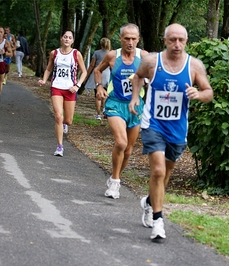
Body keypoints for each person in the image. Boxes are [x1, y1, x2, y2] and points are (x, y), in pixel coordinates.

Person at [129, 23, 214, 241]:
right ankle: (158, 220)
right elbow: (137, 77)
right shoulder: (151, 61)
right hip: (153, 124)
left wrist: (198, 94)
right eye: (172, 40)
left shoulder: (194, 65)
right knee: (157, 171)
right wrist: (135, 97)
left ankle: (149, 201)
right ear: (165, 40)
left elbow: (209, 92)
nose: (177, 44)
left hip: (178, 128)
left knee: (165, 174)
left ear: (186, 41)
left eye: (181, 40)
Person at [95, 23, 148, 199]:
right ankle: (116, 182)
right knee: (121, 143)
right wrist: (99, 87)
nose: (130, 42)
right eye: (127, 38)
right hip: (115, 104)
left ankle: (114, 176)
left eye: (134, 39)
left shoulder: (144, 56)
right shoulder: (112, 56)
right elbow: (97, 70)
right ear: (120, 39)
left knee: (128, 150)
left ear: (138, 39)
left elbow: (154, 75)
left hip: (135, 106)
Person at [38, 30, 87, 157]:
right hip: (57, 87)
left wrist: (77, 85)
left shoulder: (76, 54)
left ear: (72, 41)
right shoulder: (54, 53)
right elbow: (49, 68)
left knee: (68, 120)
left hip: (70, 89)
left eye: (69, 37)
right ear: (61, 38)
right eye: (65, 37)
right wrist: (44, 80)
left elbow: (84, 72)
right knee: (58, 116)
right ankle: (60, 146)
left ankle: (65, 124)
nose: (67, 39)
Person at [84, 37, 111, 120]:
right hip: (107, 74)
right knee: (105, 93)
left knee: (97, 95)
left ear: (101, 44)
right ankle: (104, 110)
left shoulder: (96, 53)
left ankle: (98, 114)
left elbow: (92, 65)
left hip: (97, 74)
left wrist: (86, 75)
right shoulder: (111, 54)